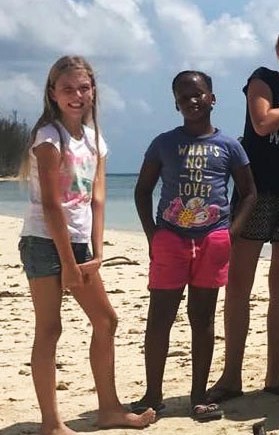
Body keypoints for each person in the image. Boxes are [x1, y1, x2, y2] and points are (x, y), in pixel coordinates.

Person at [18, 55, 156, 434]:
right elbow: (51, 204)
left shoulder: (95, 140)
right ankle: (52, 423)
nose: (76, 95)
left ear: (93, 91)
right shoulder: (49, 137)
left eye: (83, 88)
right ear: (53, 93)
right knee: (49, 329)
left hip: (80, 245)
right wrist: (67, 262)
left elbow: (97, 198)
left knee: (105, 320)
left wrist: (97, 252)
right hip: (44, 242)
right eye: (68, 89)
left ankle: (109, 409)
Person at [132, 70, 257, 422]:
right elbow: (142, 191)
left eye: (198, 94)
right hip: (170, 238)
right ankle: (152, 395)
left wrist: (231, 233)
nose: (192, 101)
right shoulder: (163, 143)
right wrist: (152, 234)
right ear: (176, 104)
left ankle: (199, 396)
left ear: (212, 98)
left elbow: (249, 193)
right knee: (160, 318)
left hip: (213, 239)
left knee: (202, 318)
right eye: (184, 96)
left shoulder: (230, 145)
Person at [208, 23, 279, 403]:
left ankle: (275, 373)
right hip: (254, 195)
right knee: (239, 285)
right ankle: (230, 376)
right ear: (278, 53)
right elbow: (262, 123)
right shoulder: (263, 79)